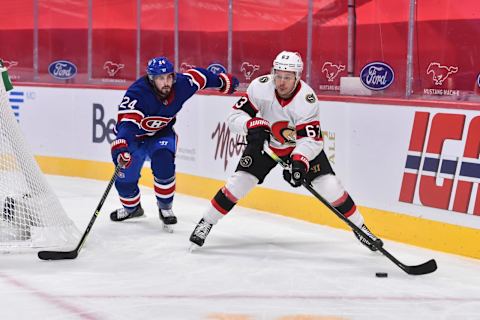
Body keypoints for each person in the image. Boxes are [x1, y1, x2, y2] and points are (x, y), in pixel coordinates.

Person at [189, 51, 382, 250]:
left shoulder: (307, 100)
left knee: (331, 186)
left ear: (297, 77)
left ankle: (361, 229)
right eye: (278, 76)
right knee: (238, 184)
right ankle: (206, 222)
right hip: (266, 145)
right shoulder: (260, 86)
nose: (281, 82)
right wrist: (251, 124)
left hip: (298, 148)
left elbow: (311, 140)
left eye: (287, 78)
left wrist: (299, 160)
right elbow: (234, 116)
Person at [110, 56, 239, 232]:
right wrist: (121, 147)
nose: (166, 83)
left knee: (164, 163)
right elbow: (126, 125)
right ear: (151, 79)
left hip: (161, 134)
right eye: (161, 78)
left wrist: (222, 82)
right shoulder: (137, 94)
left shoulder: (182, 85)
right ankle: (132, 209)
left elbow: (200, 77)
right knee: (125, 181)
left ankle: (165, 207)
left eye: (169, 77)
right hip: (136, 138)